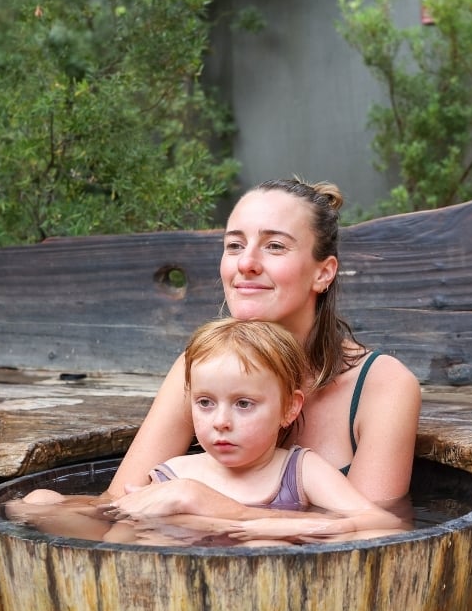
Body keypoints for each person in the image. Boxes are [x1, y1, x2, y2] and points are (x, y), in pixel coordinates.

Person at [105, 177, 421, 515]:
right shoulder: (200, 366)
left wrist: (203, 502)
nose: (246, 263)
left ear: (323, 273)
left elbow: (374, 539)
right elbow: (115, 507)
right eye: (235, 246)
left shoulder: (383, 386)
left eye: (274, 246)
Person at [97, 317, 408, 543]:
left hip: (275, 603)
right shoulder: (172, 476)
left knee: (264, 545)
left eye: (243, 404)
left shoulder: (300, 472)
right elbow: (115, 546)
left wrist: (284, 527)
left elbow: (382, 522)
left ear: (289, 408)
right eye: (205, 402)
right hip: (187, 603)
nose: (221, 421)